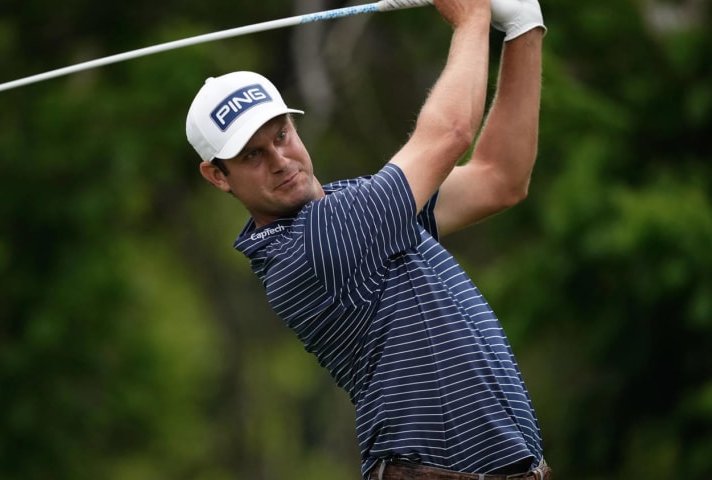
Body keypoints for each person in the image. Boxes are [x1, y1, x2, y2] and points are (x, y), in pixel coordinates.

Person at [186, 0, 549, 478]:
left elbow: (500, 178)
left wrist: (524, 28)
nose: (279, 159)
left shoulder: (355, 207)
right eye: (252, 155)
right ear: (217, 176)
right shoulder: (312, 246)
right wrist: (472, 16)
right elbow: (450, 134)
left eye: (282, 134)